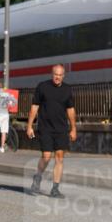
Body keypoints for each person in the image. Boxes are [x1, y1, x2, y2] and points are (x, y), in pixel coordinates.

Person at [25, 64, 77, 198]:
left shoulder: (67, 89)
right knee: (46, 156)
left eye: (60, 75)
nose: (57, 77)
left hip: (61, 129)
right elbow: (34, 107)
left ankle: (55, 189)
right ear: (52, 74)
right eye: (55, 75)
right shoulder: (42, 87)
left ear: (63, 76)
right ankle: (38, 176)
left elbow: (70, 110)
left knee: (59, 157)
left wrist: (73, 128)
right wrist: (29, 126)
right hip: (45, 128)